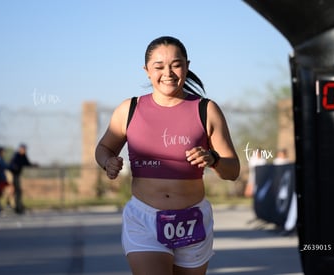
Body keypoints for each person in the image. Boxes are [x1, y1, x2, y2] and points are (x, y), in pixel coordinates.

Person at [95, 36, 240, 275]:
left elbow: (233, 171)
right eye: (159, 66)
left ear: (187, 65)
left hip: (193, 220)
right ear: (146, 71)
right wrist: (107, 162)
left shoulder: (206, 110)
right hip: (144, 218)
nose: (168, 73)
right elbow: (104, 148)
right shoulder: (129, 109)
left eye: (176, 64)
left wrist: (213, 159)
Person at [9, 143, 36, 214]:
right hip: (13, 175)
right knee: (16, 191)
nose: (25, 151)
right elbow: (11, 164)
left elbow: (27, 163)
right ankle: (16, 207)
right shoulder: (16, 155)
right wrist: (15, 167)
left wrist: (33, 165)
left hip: (18, 175)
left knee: (18, 192)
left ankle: (18, 207)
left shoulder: (23, 156)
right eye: (24, 149)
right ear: (20, 149)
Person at [0, 146, 10, 215]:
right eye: (3, 151)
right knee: (0, 193)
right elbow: (5, 166)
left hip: (2, 178)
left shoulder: (0, 159)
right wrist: (12, 166)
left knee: (3, 192)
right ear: (0, 152)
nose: (4, 153)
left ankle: (3, 205)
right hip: (0, 178)